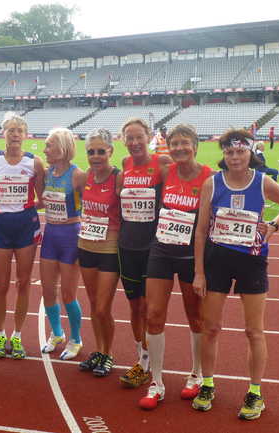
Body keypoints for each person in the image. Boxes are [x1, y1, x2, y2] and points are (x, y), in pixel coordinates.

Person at [191, 129, 279, 420]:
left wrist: (273, 227)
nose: (235, 157)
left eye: (240, 151)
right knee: (211, 327)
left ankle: (255, 392)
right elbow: (200, 232)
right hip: (217, 260)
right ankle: (207, 384)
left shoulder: (262, 181)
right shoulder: (212, 184)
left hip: (251, 261)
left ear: (250, 153)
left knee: (254, 331)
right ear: (224, 155)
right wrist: (199, 272)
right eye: (229, 152)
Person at [139, 124, 213, 409]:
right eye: (175, 143)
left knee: (195, 317)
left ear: (195, 146)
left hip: (191, 255)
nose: (180, 148)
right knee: (153, 314)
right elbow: (137, 165)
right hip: (161, 250)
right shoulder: (165, 171)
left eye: (185, 143)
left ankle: (196, 375)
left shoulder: (208, 177)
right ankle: (156, 382)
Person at [0, 112, 45, 360]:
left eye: (19, 130)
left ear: (25, 135)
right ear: (3, 133)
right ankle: (0, 334)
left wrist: (27, 206)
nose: (15, 134)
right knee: (1, 284)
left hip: (26, 226)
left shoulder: (34, 163)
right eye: (10, 130)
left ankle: (17, 336)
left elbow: (43, 199)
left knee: (23, 283)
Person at [117, 118, 172, 388]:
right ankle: (141, 357)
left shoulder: (162, 163)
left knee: (151, 309)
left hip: (153, 247)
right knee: (135, 306)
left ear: (149, 137)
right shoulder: (125, 165)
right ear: (124, 141)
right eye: (130, 138)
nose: (135, 142)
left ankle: (149, 361)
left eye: (139, 137)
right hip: (128, 245)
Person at [75, 128, 122, 377]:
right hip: (86, 246)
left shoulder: (118, 178)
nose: (95, 156)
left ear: (110, 151)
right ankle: (99, 350)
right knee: (94, 305)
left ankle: (108, 353)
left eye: (100, 151)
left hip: (109, 249)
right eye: (91, 152)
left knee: (103, 307)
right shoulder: (84, 177)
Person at [39, 128, 84, 360]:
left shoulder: (77, 175)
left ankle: (76, 339)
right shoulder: (47, 174)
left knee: (68, 294)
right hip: (50, 235)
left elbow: (92, 204)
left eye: (49, 145)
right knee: (48, 290)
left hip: (70, 236)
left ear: (63, 148)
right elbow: (40, 202)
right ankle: (57, 333)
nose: (45, 150)